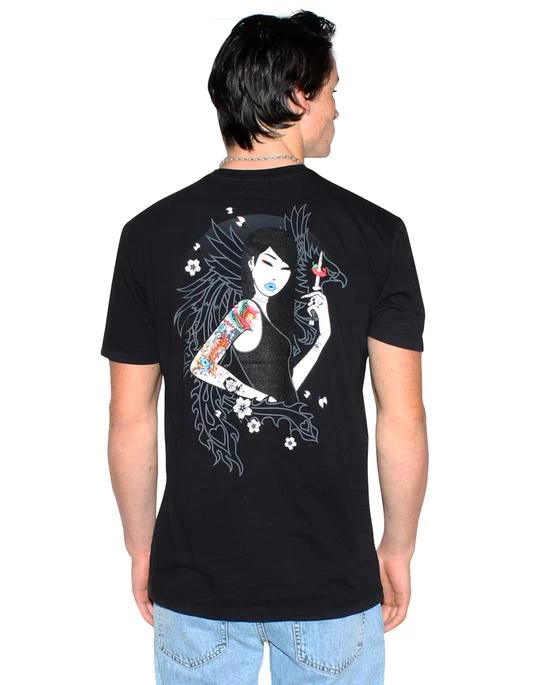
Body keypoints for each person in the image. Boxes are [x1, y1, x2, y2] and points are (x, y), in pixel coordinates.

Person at [100, 10, 429, 685]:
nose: (337, 111)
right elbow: (403, 417)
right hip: (332, 583)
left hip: (197, 580)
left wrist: (142, 548)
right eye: (332, 92)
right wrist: (397, 547)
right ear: (298, 95)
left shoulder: (148, 235)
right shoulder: (376, 234)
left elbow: (129, 418)